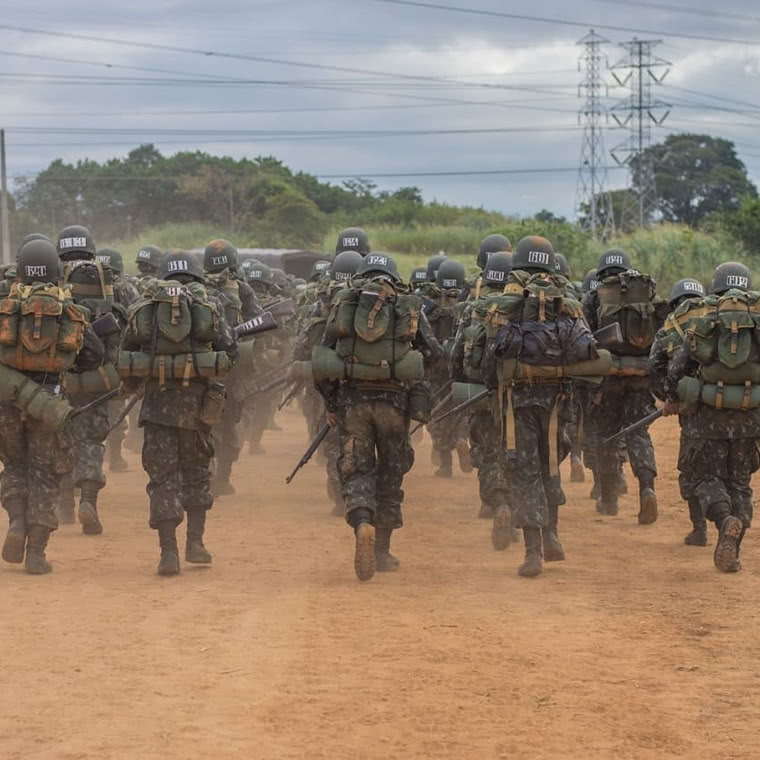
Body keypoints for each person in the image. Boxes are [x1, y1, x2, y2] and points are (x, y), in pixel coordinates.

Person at [314, 253, 442, 581]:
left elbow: (321, 355)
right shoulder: (405, 302)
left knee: (356, 469)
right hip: (394, 404)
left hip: (352, 402)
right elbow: (434, 354)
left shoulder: (346, 300)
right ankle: (382, 550)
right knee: (390, 474)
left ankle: (362, 523)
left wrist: (331, 403)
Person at [482, 236, 604, 577]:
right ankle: (553, 534)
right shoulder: (566, 297)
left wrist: (495, 389)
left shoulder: (506, 298)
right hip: (559, 402)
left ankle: (533, 551)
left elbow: (486, 354)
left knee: (526, 472)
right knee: (551, 466)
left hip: (518, 402)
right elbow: (586, 348)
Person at [120, 249, 237, 575]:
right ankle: (195, 544)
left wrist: (137, 379)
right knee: (198, 476)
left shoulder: (146, 307)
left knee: (163, 480)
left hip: (157, 408)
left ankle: (168, 552)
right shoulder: (208, 306)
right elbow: (230, 351)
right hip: (198, 410)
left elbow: (125, 354)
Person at [0, 239, 102, 573]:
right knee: (45, 475)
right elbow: (93, 357)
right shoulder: (69, 307)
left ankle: (16, 521)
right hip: (50, 405)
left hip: (7, 404)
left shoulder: (5, 304)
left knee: (15, 467)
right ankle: (37, 555)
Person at [661, 262, 758, 573]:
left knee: (706, 478)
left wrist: (672, 396)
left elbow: (678, 365)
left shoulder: (706, 317)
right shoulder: (756, 319)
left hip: (707, 419)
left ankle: (723, 519)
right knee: (740, 483)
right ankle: (734, 550)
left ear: (714, 286)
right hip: (750, 419)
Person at [582, 249, 667, 522]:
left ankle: (608, 499)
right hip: (640, 377)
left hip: (607, 380)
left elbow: (585, 339)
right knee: (638, 433)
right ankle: (647, 488)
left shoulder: (594, 298)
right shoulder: (644, 294)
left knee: (605, 435)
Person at [57, 225, 125, 535]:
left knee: (58, 438)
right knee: (91, 442)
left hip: (59, 381)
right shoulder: (108, 282)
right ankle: (88, 500)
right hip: (98, 382)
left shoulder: (48, 280)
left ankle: (64, 506)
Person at [293, 250, 363, 515]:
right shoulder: (376, 297)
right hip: (371, 386)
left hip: (331, 384)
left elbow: (302, 347)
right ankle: (365, 494)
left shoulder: (323, 302)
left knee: (334, 441)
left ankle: (339, 493)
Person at [450, 252, 513, 521]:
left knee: (488, 453)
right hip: (519, 396)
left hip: (481, 394)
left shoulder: (473, 307)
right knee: (515, 450)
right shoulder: (525, 306)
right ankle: (512, 504)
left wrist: (461, 385)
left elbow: (456, 356)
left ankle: (496, 503)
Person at [649, 277, 707, 546]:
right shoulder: (716, 319)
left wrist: (670, 398)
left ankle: (700, 529)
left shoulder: (669, 328)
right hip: (737, 408)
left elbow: (656, 370)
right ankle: (732, 518)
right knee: (734, 475)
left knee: (691, 470)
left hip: (692, 413)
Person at [202, 239, 261, 495]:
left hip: (203, 365)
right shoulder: (242, 289)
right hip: (233, 368)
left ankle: (207, 472)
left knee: (204, 419)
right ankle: (222, 478)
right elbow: (258, 322)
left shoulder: (196, 287)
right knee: (230, 422)